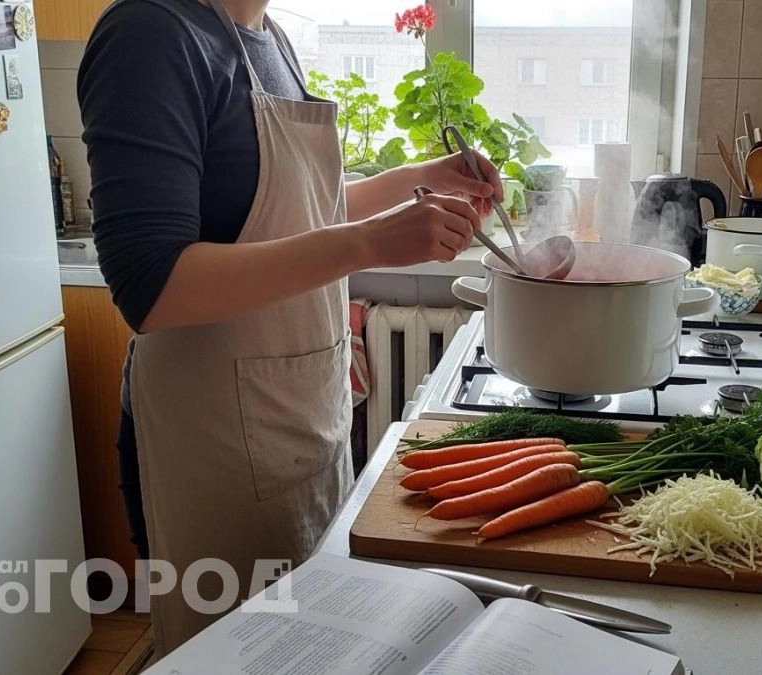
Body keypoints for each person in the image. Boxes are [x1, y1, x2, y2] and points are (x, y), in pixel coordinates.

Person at [77, 0, 502, 654]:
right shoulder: (149, 34)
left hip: (301, 427)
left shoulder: (268, 36)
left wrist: (417, 180)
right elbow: (151, 286)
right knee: (235, 656)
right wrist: (366, 244)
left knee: (311, 646)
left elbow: (306, 212)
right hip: (212, 443)